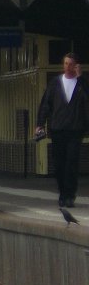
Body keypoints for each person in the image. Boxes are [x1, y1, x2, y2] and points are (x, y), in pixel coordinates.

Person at [36, 52, 89, 208]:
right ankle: (62, 193)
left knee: (71, 162)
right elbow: (46, 104)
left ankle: (70, 195)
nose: (68, 67)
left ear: (76, 66)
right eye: (66, 63)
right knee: (59, 163)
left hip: (75, 129)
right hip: (58, 129)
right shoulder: (55, 83)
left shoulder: (81, 84)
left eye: (71, 64)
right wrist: (40, 124)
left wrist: (81, 78)